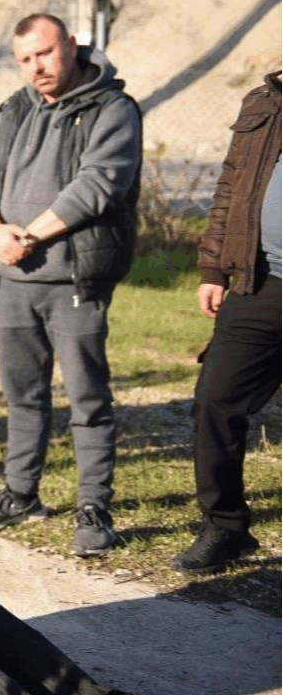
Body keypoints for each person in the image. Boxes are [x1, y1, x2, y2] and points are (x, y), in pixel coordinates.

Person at [0, 13, 141, 558]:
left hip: (73, 278)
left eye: (44, 53)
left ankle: (94, 509)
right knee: (23, 397)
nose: (36, 67)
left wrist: (29, 235)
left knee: (88, 399)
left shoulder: (113, 108)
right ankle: (20, 494)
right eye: (24, 59)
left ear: (72, 44)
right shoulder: (14, 107)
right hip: (11, 276)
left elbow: (98, 184)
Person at [173, 69, 281, 574]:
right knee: (215, 400)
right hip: (259, 282)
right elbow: (230, 187)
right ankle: (225, 525)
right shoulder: (264, 101)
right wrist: (214, 268)